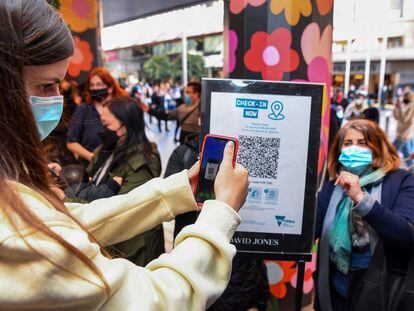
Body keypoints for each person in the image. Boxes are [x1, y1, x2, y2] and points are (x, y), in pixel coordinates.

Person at [0, 1, 249, 309]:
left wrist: (178, 190)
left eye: (58, 86)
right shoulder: (12, 234)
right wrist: (220, 213)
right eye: (46, 86)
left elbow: (64, 222)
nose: (57, 100)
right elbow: (156, 300)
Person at [314, 119, 414, 311]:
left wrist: (361, 198)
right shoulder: (331, 188)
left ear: (377, 146)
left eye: (362, 143)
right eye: (347, 143)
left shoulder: (402, 181)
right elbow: (310, 230)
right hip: (338, 292)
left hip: (383, 294)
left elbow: (405, 235)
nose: (354, 149)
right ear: (339, 150)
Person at [165, 134, 269, 311]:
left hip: (241, 270)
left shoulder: (248, 153)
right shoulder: (184, 154)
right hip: (194, 261)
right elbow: (168, 206)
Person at [65, 96, 164, 266]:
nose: (102, 130)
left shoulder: (142, 161)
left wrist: (67, 199)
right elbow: (86, 180)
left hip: (134, 250)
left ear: (125, 125)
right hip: (112, 243)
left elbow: (122, 208)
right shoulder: (107, 149)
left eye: (106, 125)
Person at [67, 67, 127, 164]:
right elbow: (71, 142)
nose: (95, 88)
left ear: (110, 88)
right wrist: (93, 159)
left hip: (120, 164)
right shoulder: (83, 109)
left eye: (99, 84)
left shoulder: (122, 107)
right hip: (90, 167)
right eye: (92, 85)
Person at [393, 91, 414, 167]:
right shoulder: (405, 105)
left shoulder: (411, 107)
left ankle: (388, 168)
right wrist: (397, 107)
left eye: (406, 97)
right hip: (401, 133)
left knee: (391, 151)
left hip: (404, 134)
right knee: (406, 154)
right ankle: (412, 169)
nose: (404, 99)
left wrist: (400, 107)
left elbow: (405, 119)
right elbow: (398, 117)